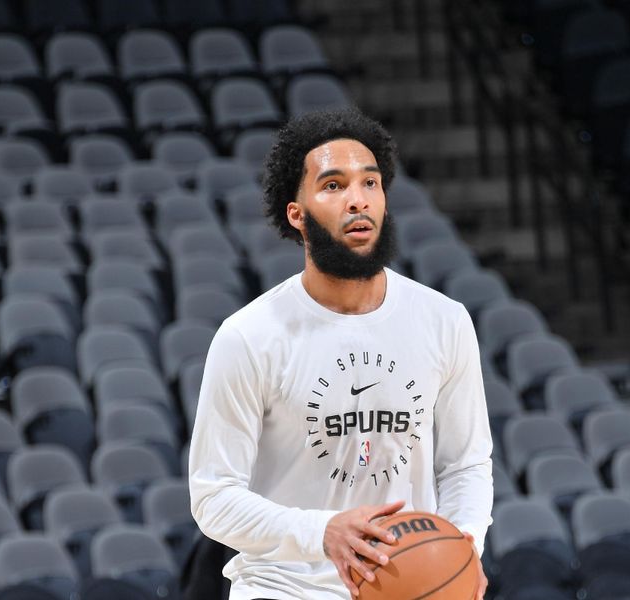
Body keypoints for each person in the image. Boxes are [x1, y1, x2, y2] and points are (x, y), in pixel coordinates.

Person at [189, 107, 493, 599]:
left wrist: (463, 549)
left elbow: (465, 465)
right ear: (297, 214)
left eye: (370, 184)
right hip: (284, 588)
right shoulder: (248, 336)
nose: (358, 201)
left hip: (406, 585)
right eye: (333, 186)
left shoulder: (444, 320)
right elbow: (213, 497)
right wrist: (322, 532)